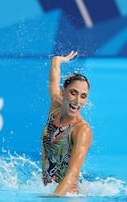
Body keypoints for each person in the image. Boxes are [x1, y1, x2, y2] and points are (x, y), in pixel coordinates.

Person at [41, 51, 92, 196]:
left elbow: (73, 173)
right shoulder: (56, 106)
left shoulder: (82, 130)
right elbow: (53, 82)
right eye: (73, 93)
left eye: (83, 96)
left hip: (67, 196)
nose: (77, 101)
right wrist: (56, 61)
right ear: (63, 93)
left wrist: (53, 199)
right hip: (50, 189)